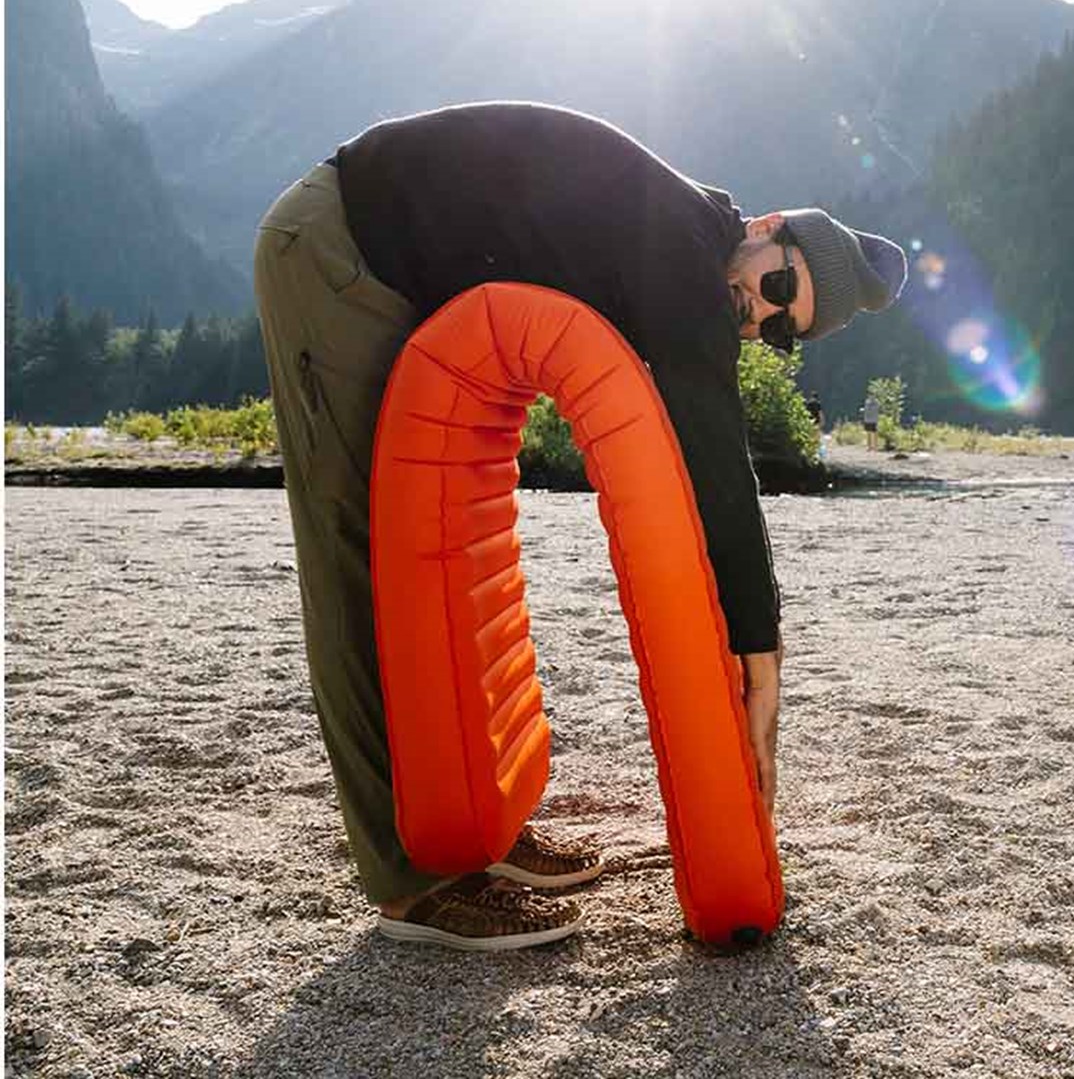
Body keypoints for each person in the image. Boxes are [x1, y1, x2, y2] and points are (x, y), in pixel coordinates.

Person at [253, 102, 907, 950]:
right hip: (339, 253)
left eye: (782, 329)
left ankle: (473, 829)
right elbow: (715, 457)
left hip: (389, 274)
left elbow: (700, 442)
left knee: (431, 552)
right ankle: (414, 883)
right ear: (769, 227)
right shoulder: (680, 243)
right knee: (360, 558)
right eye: (778, 286)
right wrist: (759, 648)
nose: (759, 314)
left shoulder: (679, 242)